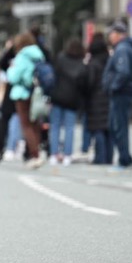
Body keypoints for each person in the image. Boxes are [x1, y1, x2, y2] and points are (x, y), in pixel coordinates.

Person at [7, 32, 47, 169]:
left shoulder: (22, 56)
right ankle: (39, 150)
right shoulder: (38, 55)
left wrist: (11, 69)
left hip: (22, 92)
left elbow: (14, 77)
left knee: (26, 125)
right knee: (35, 123)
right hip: (35, 92)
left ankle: (35, 154)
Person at [103, 21, 132, 169]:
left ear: (118, 34)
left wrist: (113, 86)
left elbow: (123, 72)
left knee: (118, 126)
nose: (110, 37)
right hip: (122, 93)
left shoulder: (122, 49)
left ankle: (124, 159)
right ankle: (125, 157)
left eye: (111, 34)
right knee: (115, 125)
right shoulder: (123, 48)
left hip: (121, 94)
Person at [48, 37, 86, 166]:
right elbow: (83, 82)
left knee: (55, 126)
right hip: (73, 99)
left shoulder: (60, 58)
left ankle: (53, 154)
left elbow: (53, 77)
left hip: (58, 96)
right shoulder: (81, 62)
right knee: (70, 127)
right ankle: (67, 155)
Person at [81, 32, 112, 164]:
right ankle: (109, 157)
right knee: (108, 130)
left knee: (97, 129)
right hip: (109, 97)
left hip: (95, 99)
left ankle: (100, 157)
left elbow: (89, 82)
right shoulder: (109, 61)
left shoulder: (93, 64)